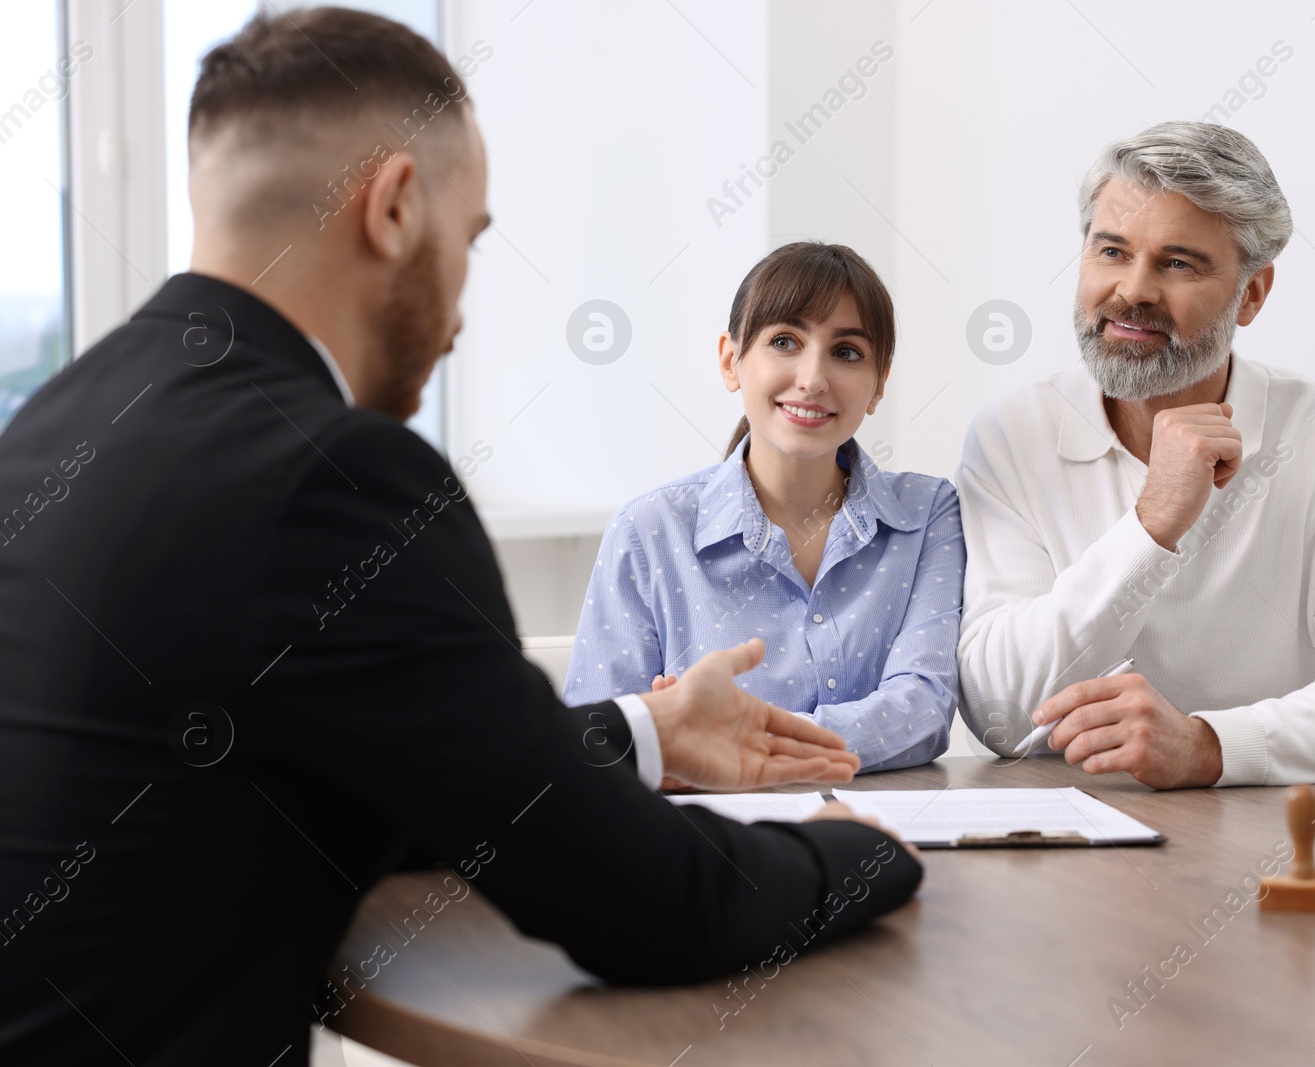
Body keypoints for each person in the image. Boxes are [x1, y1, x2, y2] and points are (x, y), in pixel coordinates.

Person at [0, 10, 919, 1064]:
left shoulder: (58, 425)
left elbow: (407, 768)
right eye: (470, 241)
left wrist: (648, 730)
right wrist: (856, 852)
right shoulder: (334, 477)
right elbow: (651, 906)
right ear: (394, 207)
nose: (461, 316)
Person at [957, 121, 1315, 788]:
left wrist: (1208, 745)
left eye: (1177, 263)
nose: (1132, 290)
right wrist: (1152, 522)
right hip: (1059, 842)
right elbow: (997, 715)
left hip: (1269, 846)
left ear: (1251, 293)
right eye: (1111, 251)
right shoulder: (1010, 436)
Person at [565, 242, 965, 772]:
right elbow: (594, 738)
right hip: (709, 839)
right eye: (784, 341)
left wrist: (729, 741)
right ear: (732, 362)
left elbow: (922, 708)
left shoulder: (927, 513)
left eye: (846, 352)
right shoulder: (649, 531)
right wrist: (656, 736)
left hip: (881, 833)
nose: (813, 378)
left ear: (877, 386)